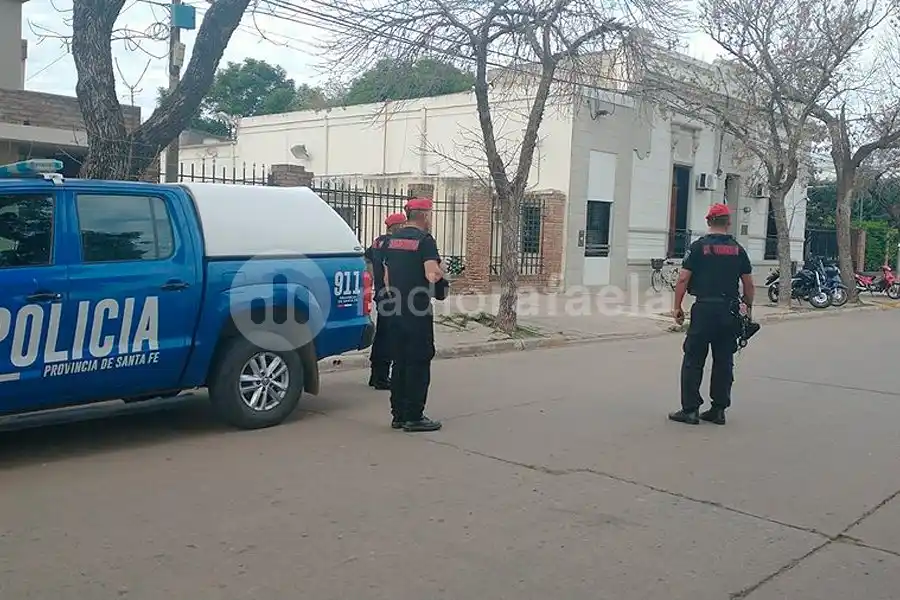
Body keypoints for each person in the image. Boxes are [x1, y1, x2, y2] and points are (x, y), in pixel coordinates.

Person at [669, 203, 754, 426]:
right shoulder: (738, 249)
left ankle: (690, 410)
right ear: (728, 222)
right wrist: (748, 308)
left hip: (705, 309)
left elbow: (683, 279)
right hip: (729, 311)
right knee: (724, 360)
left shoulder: (698, 248)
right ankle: (718, 410)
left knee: (693, 359)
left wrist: (677, 307)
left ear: (708, 222)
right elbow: (748, 284)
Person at [381, 197, 449, 432]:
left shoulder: (393, 241)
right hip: (417, 311)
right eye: (430, 214)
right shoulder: (425, 241)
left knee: (399, 361)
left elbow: (387, 279)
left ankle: (398, 414)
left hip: (394, 308)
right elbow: (431, 275)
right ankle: (414, 416)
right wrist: (442, 271)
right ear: (424, 215)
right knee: (419, 360)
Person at [365, 212, 407, 389]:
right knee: (389, 337)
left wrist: (374, 280)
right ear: (398, 227)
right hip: (391, 295)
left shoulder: (377, 242)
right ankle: (382, 378)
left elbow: (367, 259)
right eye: (403, 225)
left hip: (380, 293)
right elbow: (388, 267)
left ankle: (375, 375)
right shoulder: (393, 244)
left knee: (381, 335)